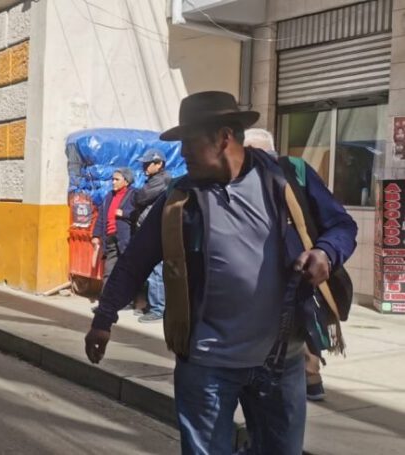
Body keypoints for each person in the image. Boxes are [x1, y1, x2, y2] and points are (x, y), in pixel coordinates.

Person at [84, 92, 358, 455]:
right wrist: (104, 318)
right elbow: (135, 260)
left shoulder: (289, 177)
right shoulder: (179, 198)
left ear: (224, 137)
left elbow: (342, 227)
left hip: (280, 360)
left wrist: (325, 252)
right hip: (207, 364)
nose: (183, 153)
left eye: (190, 141)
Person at [244, 128, 327, 402]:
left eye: (264, 155)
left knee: (302, 325)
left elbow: (338, 223)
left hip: (299, 273)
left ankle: (311, 377)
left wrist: (324, 252)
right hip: (261, 284)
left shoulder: (295, 173)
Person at [131, 150, 171, 323]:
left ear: (159, 164)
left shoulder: (162, 180)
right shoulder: (154, 180)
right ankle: (153, 305)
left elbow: (140, 197)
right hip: (150, 230)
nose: (144, 167)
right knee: (151, 271)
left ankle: (158, 309)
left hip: (157, 230)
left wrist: (135, 194)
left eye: (148, 164)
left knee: (156, 271)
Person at [91, 168, 135, 289]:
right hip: (110, 238)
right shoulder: (109, 196)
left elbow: (139, 214)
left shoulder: (134, 195)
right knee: (109, 271)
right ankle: (106, 297)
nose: (113, 182)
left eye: (117, 179)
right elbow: (101, 217)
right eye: (112, 179)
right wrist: (96, 235)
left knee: (126, 270)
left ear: (126, 182)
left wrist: (124, 213)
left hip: (125, 239)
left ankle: (126, 297)